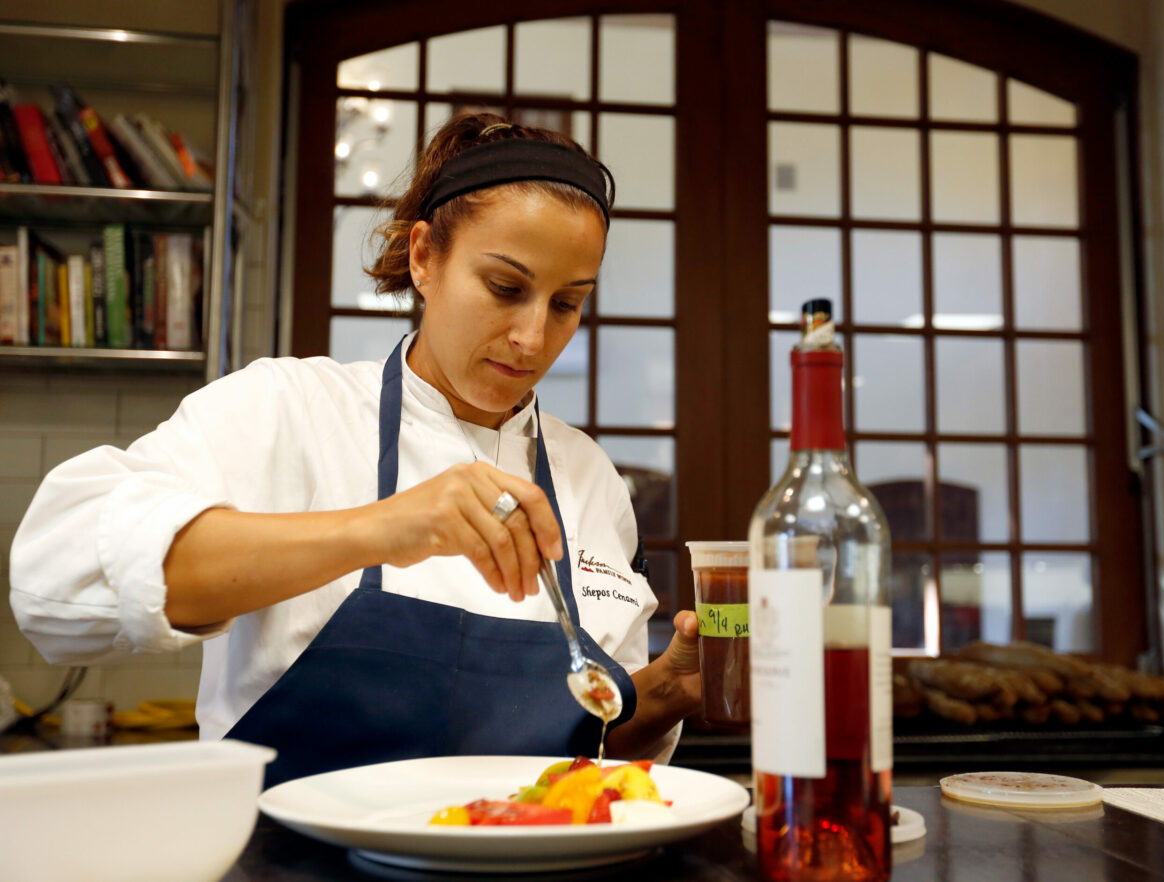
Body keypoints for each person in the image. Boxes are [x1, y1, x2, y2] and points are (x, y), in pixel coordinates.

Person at [10, 112, 701, 785]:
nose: (532, 337)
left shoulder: (588, 477)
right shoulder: (290, 408)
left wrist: (665, 693)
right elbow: (55, 579)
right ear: (426, 258)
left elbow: (585, 757)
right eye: (505, 288)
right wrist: (382, 528)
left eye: (566, 304)